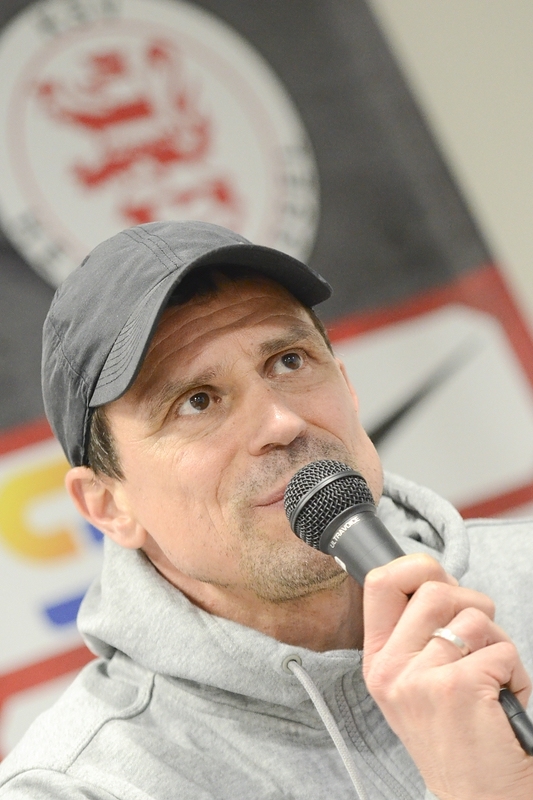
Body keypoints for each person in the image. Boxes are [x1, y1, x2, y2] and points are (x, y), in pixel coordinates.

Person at [0, 220, 532, 800]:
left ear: (348, 388)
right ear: (108, 506)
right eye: (196, 401)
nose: (281, 422)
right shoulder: (78, 786)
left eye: (289, 361)